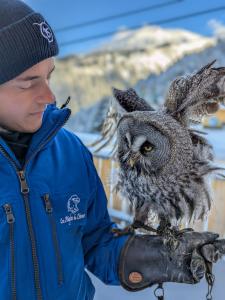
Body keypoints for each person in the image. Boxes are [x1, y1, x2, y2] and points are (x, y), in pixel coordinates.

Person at [0, 1, 224, 300]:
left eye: (49, 77)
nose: (49, 97)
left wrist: (156, 257)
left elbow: (94, 243)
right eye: (28, 84)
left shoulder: (70, 152)